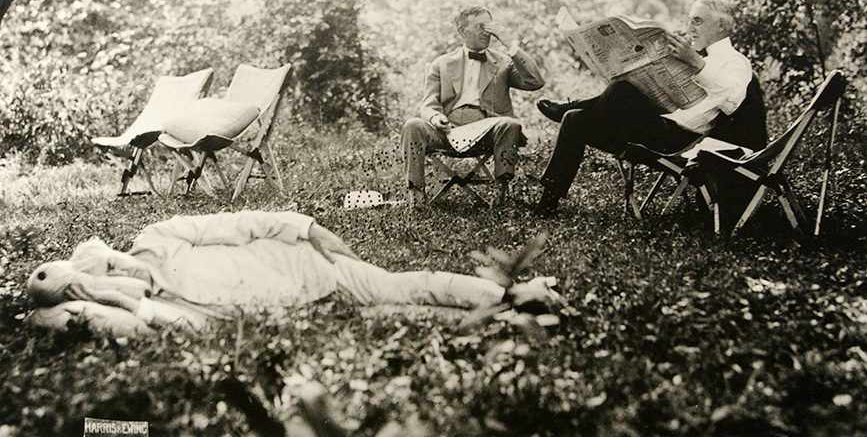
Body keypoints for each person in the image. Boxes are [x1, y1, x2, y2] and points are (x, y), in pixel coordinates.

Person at [26, 211, 558, 336]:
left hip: (311, 266)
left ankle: (514, 292)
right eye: (114, 273)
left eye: (116, 259)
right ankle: (513, 321)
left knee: (409, 282)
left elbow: (241, 221)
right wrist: (104, 304)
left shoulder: (158, 237)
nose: (126, 267)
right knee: (405, 315)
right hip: (301, 313)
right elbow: (175, 328)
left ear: (119, 250)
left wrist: (307, 228)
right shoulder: (166, 305)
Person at [534, 0, 754, 215]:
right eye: (689, 21)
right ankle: (547, 203)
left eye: (697, 21)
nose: (689, 28)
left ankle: (577, 104)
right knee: (575, 119)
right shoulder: (690, 54)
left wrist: (696, 63)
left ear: (721, 25)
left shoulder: (735, 61)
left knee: (620, 92)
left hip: (681, 142)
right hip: (655, 126)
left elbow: (732, 101)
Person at [401, 6, 545, 207]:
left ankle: (500, 194)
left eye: (488, 26)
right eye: (479, 26)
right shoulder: (441, 63)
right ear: (462, 30)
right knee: (412, 125)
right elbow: (428, 105)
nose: (486, 32)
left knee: (510, 124)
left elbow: (535, 82)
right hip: (448, 131)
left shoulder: (503, 63)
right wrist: (436, 118)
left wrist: (510, 45)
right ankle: (416, 196)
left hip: (488, 132)